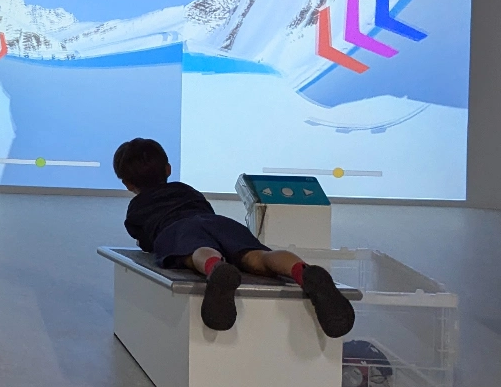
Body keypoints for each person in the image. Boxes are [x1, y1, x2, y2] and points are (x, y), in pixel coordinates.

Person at [112, 137, 354, 337]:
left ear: (126, 183)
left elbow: (145, 243)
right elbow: (205, 210)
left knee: (194, 252)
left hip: (177, 229)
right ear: (168, 170)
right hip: (219, 223)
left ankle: (215, 268)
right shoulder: (187, 190)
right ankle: (303, 271)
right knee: (257, 256)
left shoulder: (136, 209)